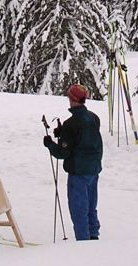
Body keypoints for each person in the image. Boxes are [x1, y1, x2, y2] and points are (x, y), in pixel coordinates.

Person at [44, 84, 103, 241]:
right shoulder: (94, 118)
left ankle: (83, 244)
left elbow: (62, 153)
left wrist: (50, 144)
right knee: (91, 208)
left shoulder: (71, 124)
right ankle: (94, 238)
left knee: (79, 210)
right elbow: (84, 138)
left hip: (78, 172)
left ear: (71, 99)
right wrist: (63, 134)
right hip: (93, 169)